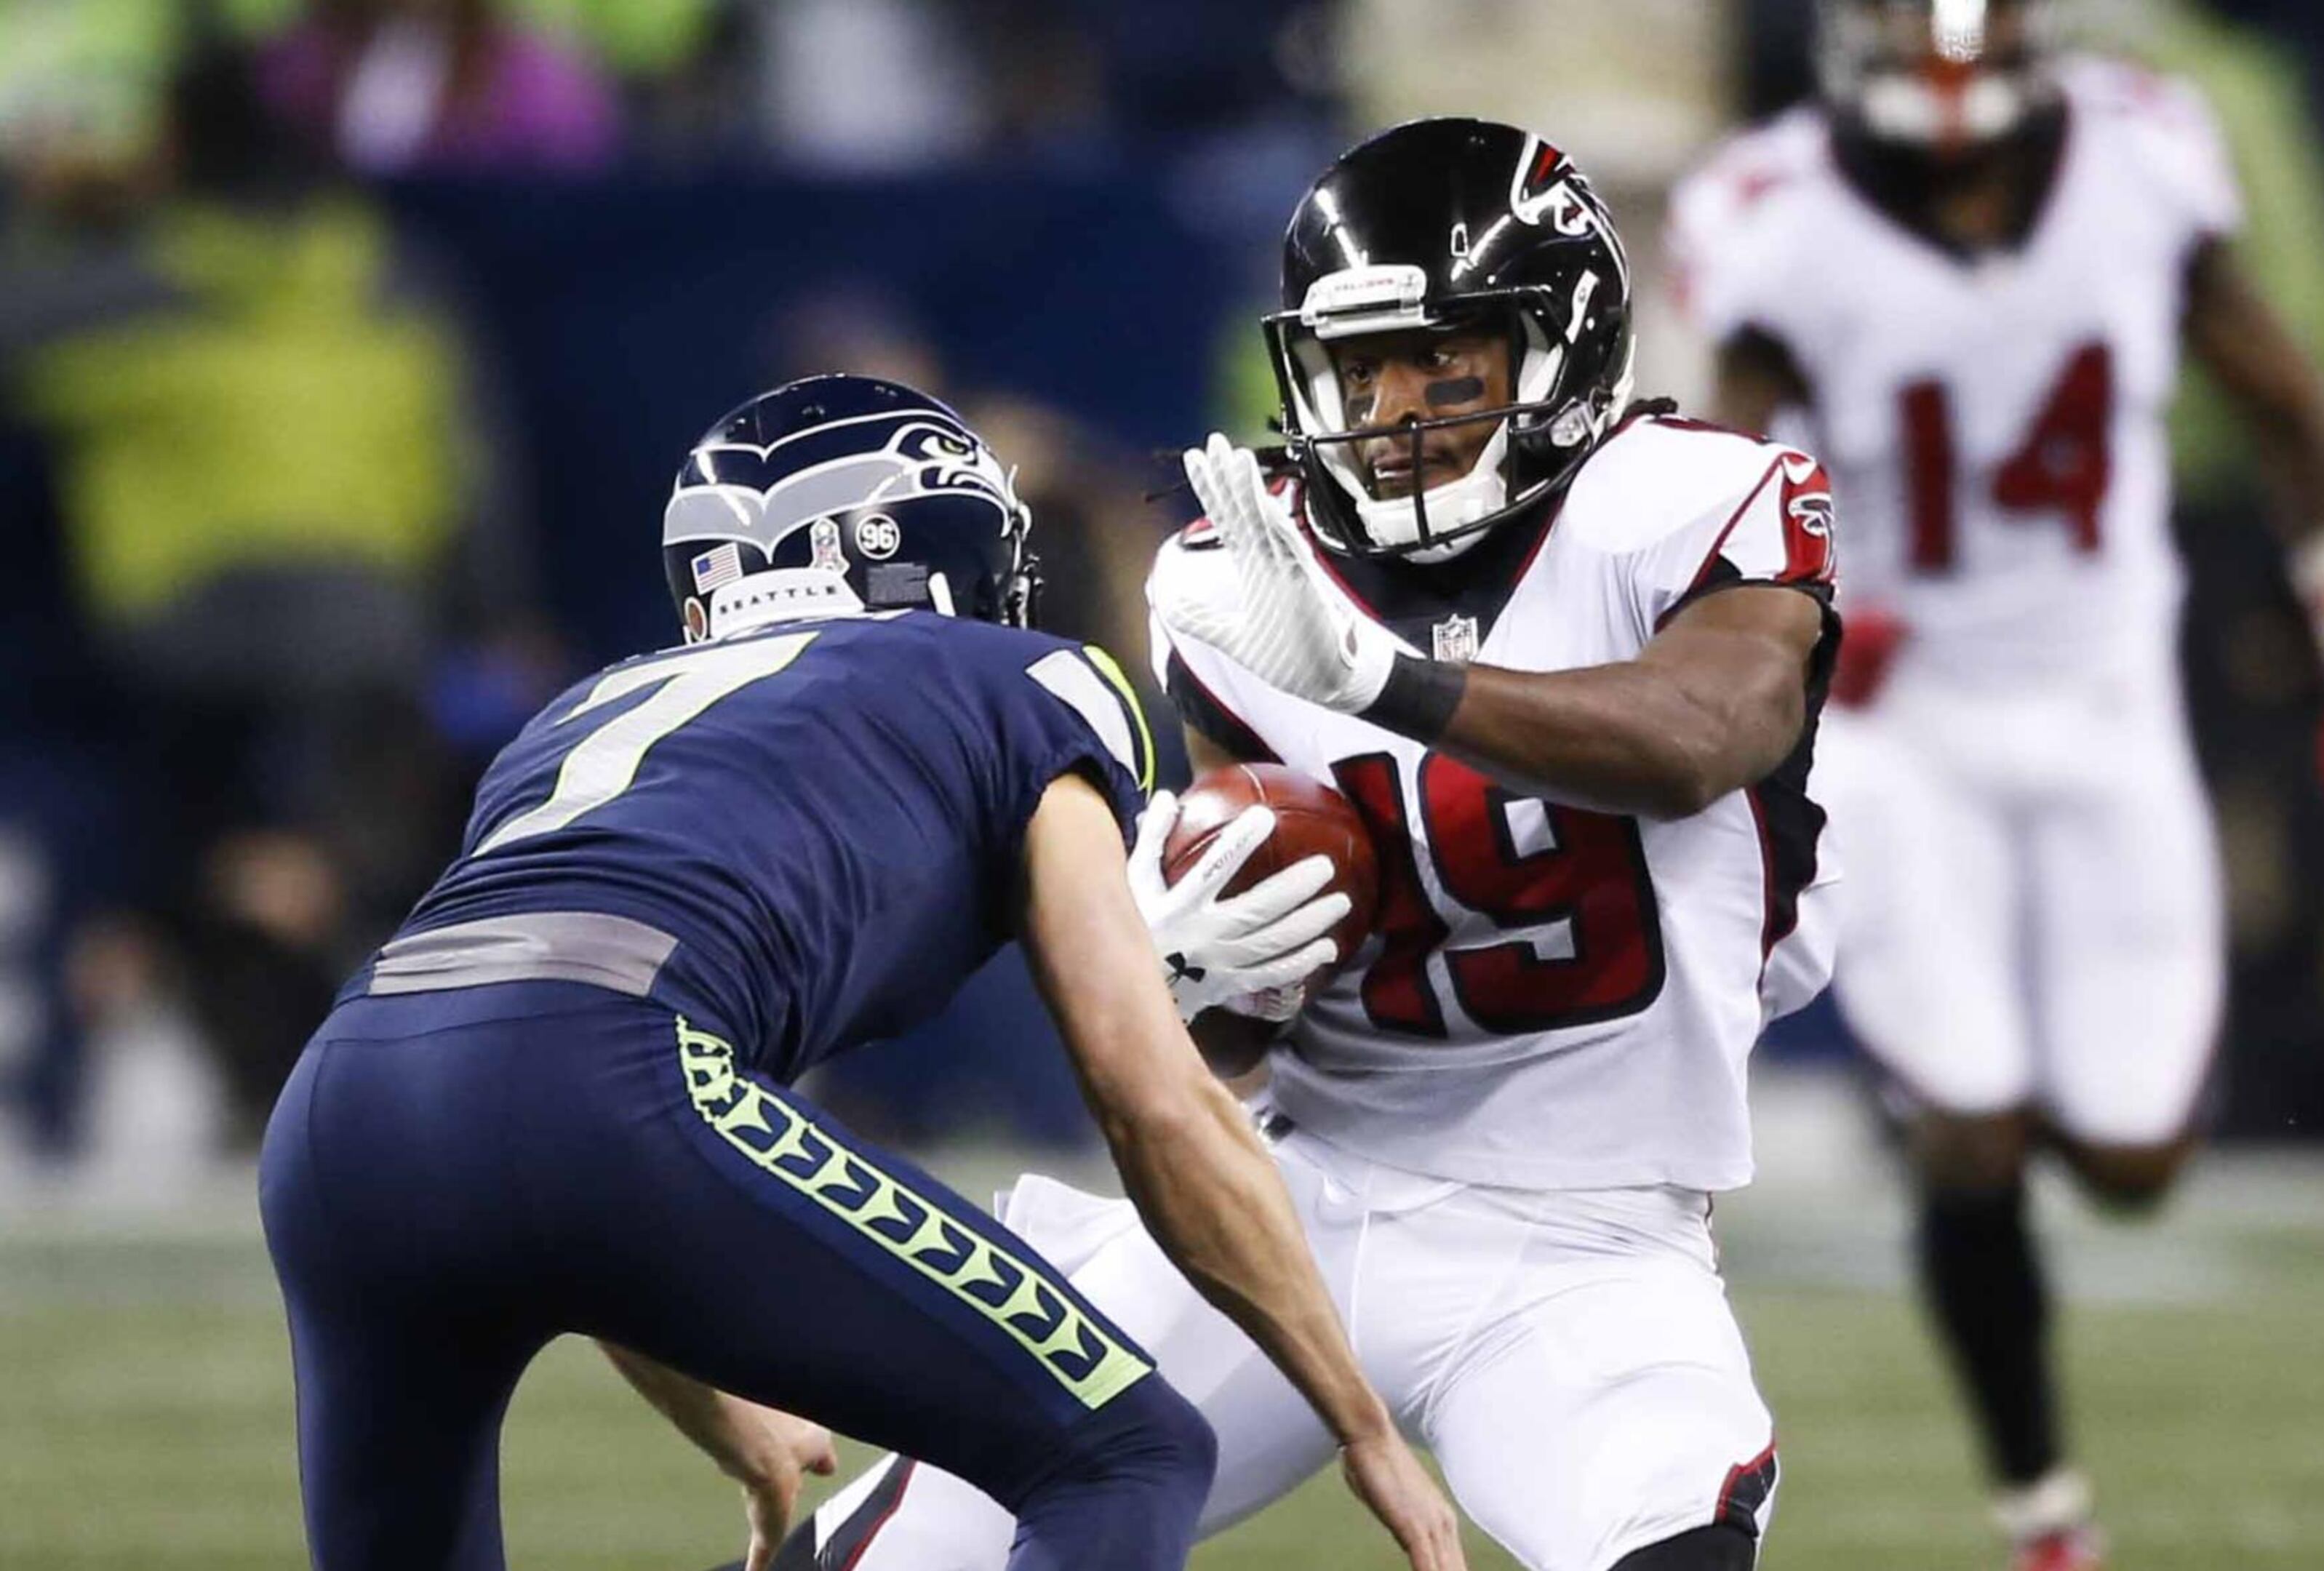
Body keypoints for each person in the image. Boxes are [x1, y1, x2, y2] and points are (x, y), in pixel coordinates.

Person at [783, 118, 1840, 1571]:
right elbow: (1239, 1037)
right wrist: (1195, 980)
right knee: (890, 1560)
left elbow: (1702, 737)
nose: (1395, 407)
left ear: (1561, 348)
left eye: (1442, 359)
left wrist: (1385, 683)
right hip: (1295, 1197)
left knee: (1673, 1552)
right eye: (1361, 366)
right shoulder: (1236, 575)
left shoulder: (1687, 502)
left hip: (1589, 1242)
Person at [255, 375, 1463, 1571]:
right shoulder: (1030, 682)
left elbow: (509, 1089)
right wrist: (1359, 1422)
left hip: (338, 1116)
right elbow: (1149, 1097)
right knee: (1126, 1456)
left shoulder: (572, 718)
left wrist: (718, 1409)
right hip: (606, 1082)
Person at [1667, 4, 2324, 1567]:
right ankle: (2045, 1512)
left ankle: (2045, 1300)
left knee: (2135, 1160)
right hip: (1899, 724)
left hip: (2104, 708)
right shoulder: (1776, 216)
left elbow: (2290, 410)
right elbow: (1702, 488)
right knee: (1970, 1120)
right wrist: (1785, 631)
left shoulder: (2147, 159)